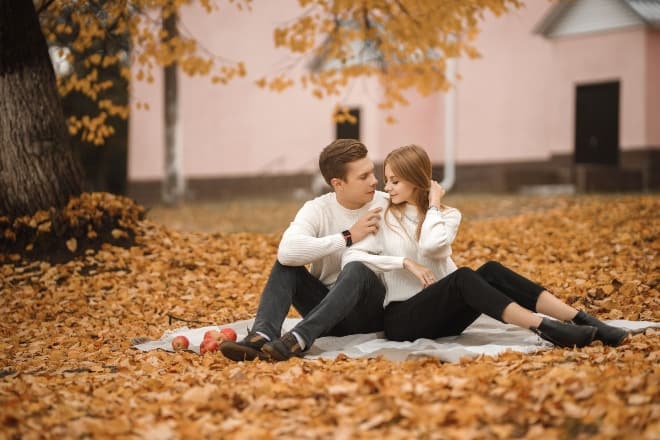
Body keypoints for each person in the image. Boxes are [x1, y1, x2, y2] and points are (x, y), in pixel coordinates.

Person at [342, 145, 628, 348]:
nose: (387, 187)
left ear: (417, 181)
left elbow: (432, 246)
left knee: (490, 270)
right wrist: (404, 263)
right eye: (387, 180)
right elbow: (352, 255)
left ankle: (582, 319)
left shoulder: (446, 214)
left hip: (445, 316)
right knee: (465, 276)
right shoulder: (383, 213)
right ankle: (544, 327)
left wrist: (432, 205)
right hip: (403, 321)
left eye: (395, 181)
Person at [220, 139, 388, 362]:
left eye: (372, 172)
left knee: (357, 267)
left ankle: (297, 339)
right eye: (363, 177)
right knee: (286, 264)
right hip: (326, 317)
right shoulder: (317, 209)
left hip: (370, 313)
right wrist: (348, 237)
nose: (375, 181)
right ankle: (262, 335)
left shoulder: (388, 204)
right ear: (338, 183)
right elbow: (287, 252)